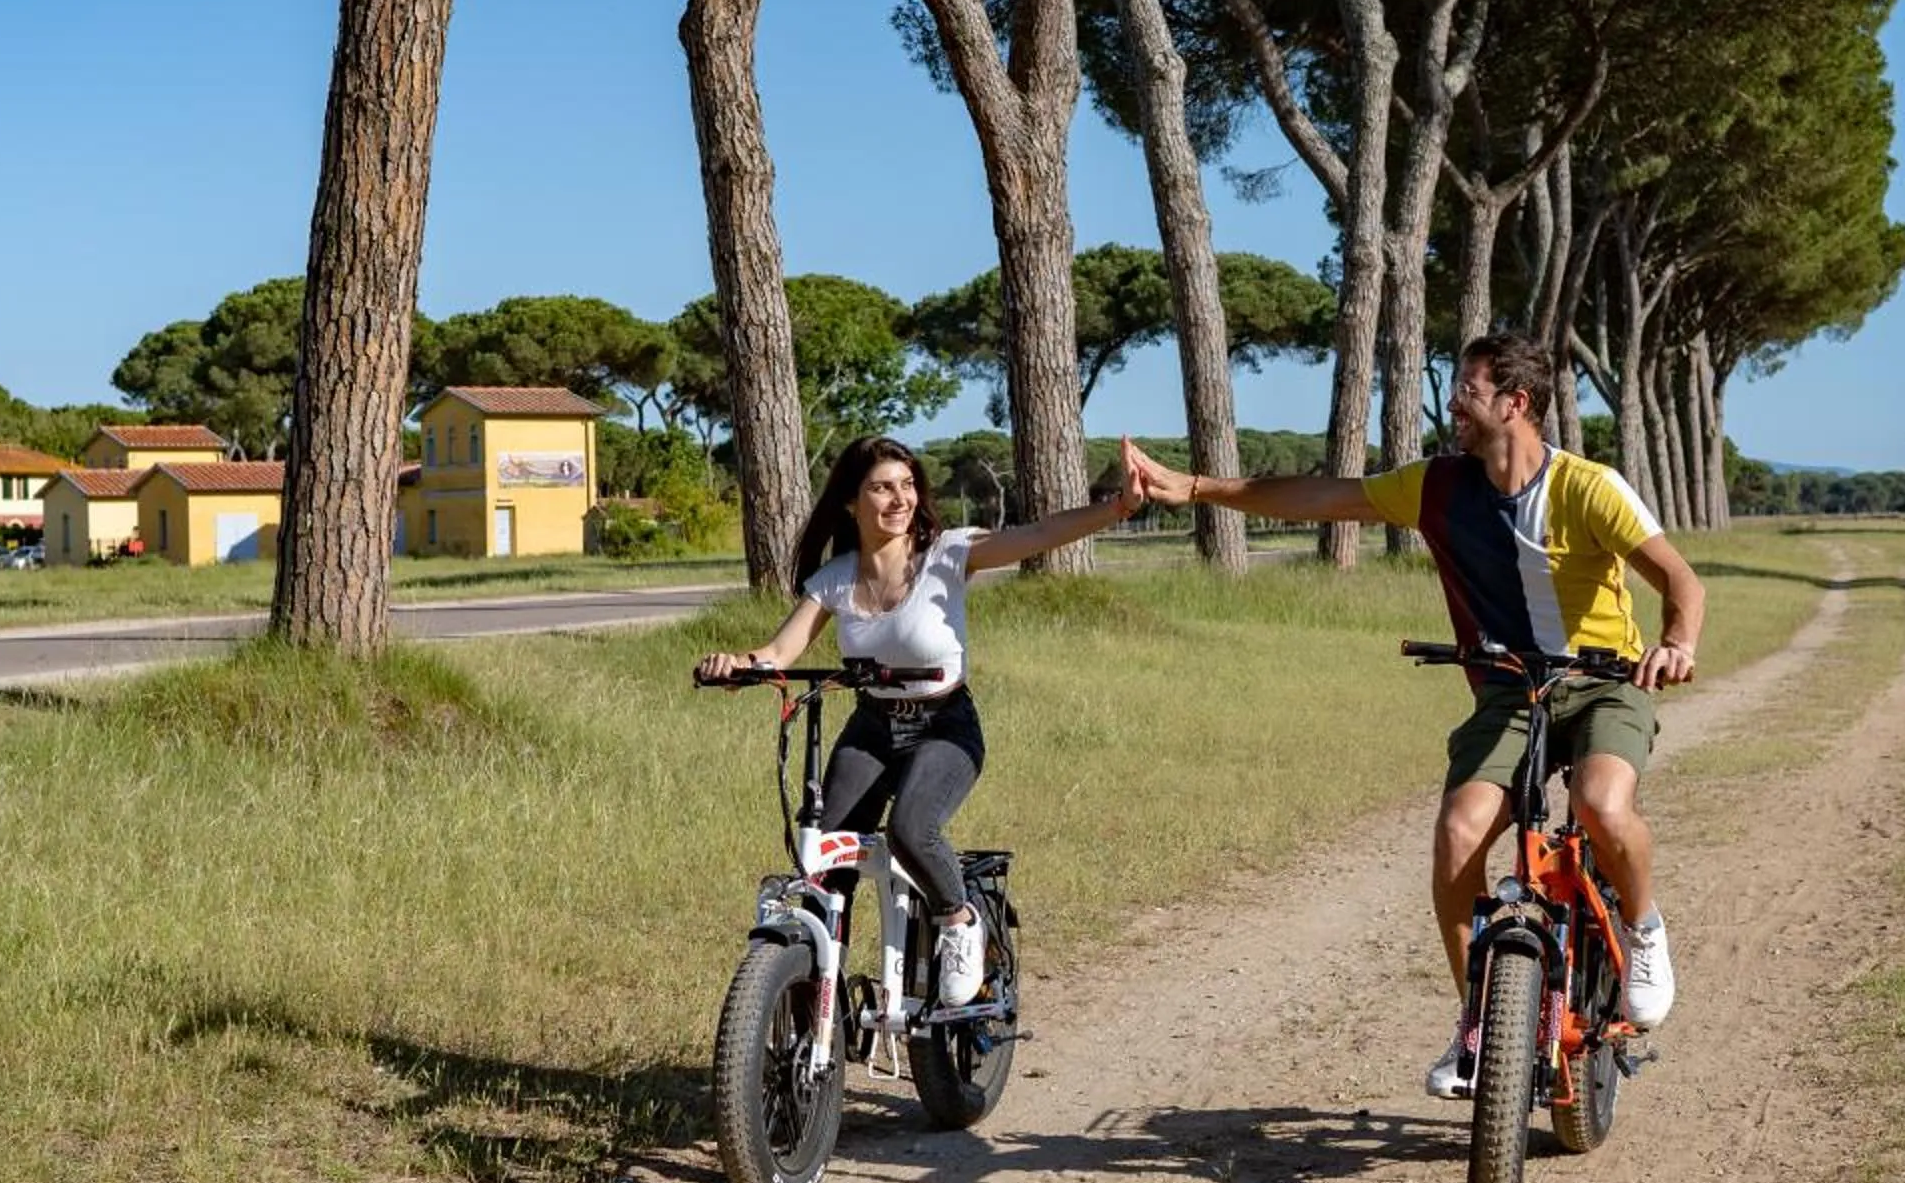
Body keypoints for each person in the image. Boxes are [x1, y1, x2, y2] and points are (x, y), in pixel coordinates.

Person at [1119, 332, 1705, 1099]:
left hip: (1601, 682)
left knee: (1600, 803)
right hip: (1508, 689)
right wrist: (1196, 488)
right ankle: (1479, 1022)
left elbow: (1678, 577)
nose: (1452, 405)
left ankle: (1645, 925)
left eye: (1467, 390)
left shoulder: (1589, 486)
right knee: (1459, 835)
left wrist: (1675, 642)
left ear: (1513, 404)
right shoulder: (1437, 487)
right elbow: (1319, 494)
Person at [697, 436, 1143, 1005]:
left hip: (945, 725)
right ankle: (811, 988)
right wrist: (737, 666)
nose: (899, 499)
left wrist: (1117, 508)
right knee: (821, 855)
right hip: (872, 727)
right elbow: (778, 653)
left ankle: (960, 923)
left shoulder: (949, 553)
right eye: (882, 487)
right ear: (851, 503)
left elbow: (1037, 535)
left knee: (910, 828)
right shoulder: (836, 577)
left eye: (907, 486)